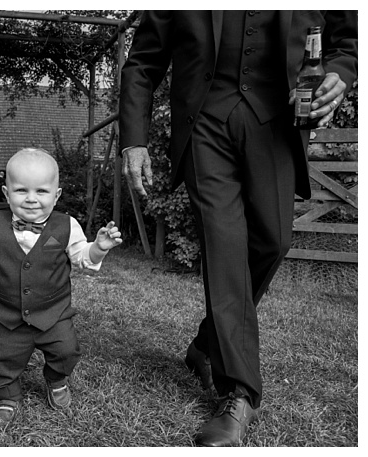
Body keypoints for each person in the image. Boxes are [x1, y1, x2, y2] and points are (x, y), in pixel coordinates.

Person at [119, 11, 357, 446]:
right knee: (225, 245)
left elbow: (348, 37)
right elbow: (142, 61)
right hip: (204, 125)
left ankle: (206, 342)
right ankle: (238, 394)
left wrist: (340, 72)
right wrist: (134, 139)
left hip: (278, 121)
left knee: (274, 241)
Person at [0, 148, 122, 424]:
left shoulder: (67, 226)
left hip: (54, 314)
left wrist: (99, 248)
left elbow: (84, 258)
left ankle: (56, 379)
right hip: (7, 315)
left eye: (42, 192)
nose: (32, 199)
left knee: (66, 351)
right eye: (21, 190)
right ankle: (7, 396)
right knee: (4, 361)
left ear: (56, 195)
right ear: (6, 192)